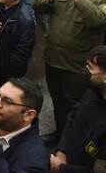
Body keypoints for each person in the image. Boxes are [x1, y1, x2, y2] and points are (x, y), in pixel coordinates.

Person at [32, 0, 106, 145]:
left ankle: (76, 143)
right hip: (54, 59)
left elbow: (98, 19)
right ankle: (60, 134)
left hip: (76, 63)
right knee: (58, 102)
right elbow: (36, 4)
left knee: (78, 106)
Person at [50, 45, 106, 173]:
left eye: (91, 68)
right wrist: (62, 151)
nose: (85, 70)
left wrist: (62, 169)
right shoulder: (92, 91)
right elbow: (73, 118)